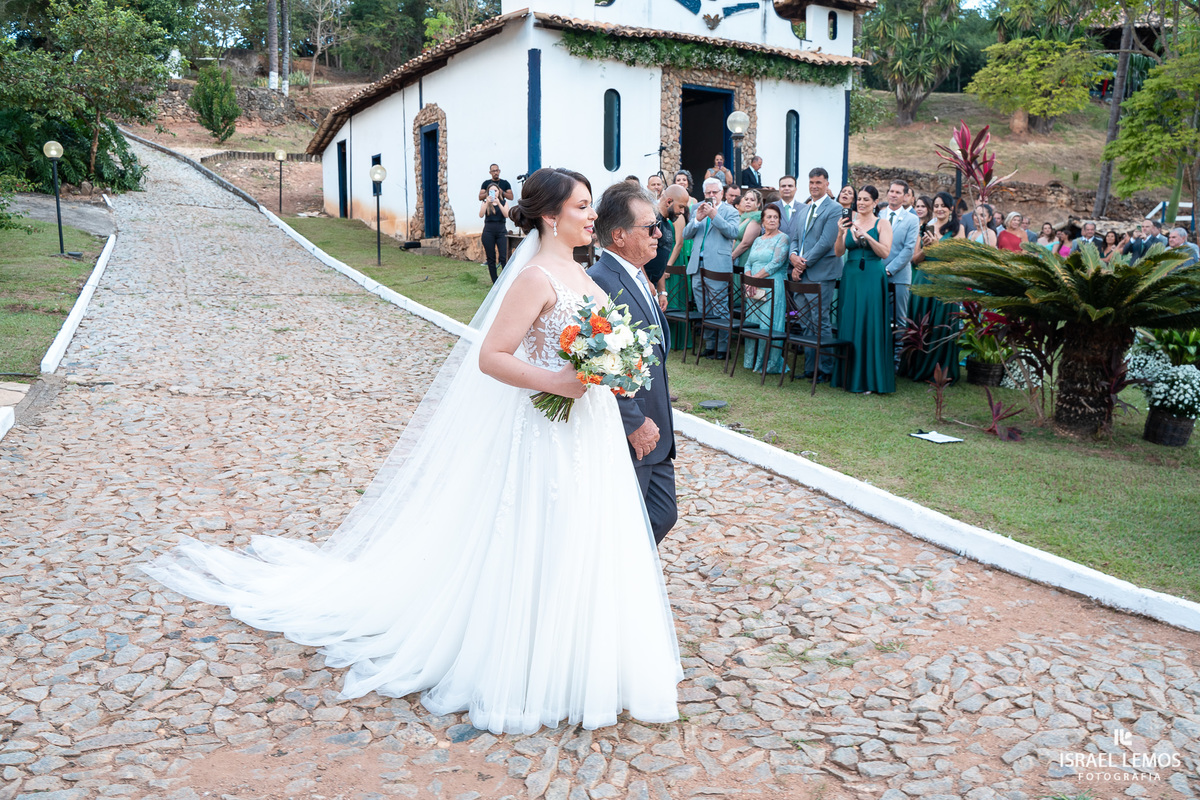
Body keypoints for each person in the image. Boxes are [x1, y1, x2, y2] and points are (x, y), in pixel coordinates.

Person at [143, 167, 682, 735]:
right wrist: (559, 383)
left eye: (590, 206)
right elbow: (491, 357)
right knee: (542, 535)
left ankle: (590, 657)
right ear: (550, 217)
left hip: (589, 431)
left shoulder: (586, 276)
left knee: (589, 537)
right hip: (548, 432)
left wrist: (606, 372)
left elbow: (606, 351)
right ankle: (530, 662)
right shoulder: (534, 278)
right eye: (580, 207)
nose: (591, 215)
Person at [588, 181, 679, 545]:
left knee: (661, 515)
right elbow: (598, 363)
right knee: (632, 525)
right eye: (650, 227)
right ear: (619, 235)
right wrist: (633, 421)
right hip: (633, 430)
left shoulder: (638, 273)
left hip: (656, 425)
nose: (659, 233)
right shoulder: (600, 283)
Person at [832, 185, 895, 394]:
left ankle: (869, 379)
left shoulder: (882, 223)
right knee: (850, 321)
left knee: (870, 323)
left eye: (867, 200)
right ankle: (848, 375)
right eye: (860, 199)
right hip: (851, 276)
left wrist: (866, 237)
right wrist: (841, 233)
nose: (861, 203)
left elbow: (885, 252)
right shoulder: (850, 222)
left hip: (872, 276)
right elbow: (838, 251)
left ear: (875, 203)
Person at [789, 167, 843, 381]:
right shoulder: (804, 210)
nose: (814, 186)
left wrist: (801, 264)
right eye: (811, 182)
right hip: (801, 273)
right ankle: (810, 368)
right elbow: (794, 239)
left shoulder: (834, 209)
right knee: (804, 321)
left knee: (820, 320)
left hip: (821, 273)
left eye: (818, 182)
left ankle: (825, 369)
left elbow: (825, 242)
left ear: (827, 184)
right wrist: (793, 256)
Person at [904, 191, 964, 383]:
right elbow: (914, 259)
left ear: (951, 209)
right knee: (922, 323)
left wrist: (938, 246)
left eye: (942, 206)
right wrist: (926, 249)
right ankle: (918, 367)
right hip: (923, 278)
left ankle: (941, 371)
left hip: (945, 280)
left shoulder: (957, 230)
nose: (939, 209)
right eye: (936, 206)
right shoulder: (924, 227)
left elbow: (957, 259)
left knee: (941, 324)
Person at [684, 177, 741, 359]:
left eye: (714, 192)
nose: (711, 196)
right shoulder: (696, 208)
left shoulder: (730, 211)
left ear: (722, 193)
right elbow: (686, 234)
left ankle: (723, 349)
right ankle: (709, 345)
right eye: (708, 192)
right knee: (703, 307)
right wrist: (697, 220)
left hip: (717, 265)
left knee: (719, 306)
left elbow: (733, 232)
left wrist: (714, 215)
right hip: (697, 264)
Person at [741, 204, 790, 374]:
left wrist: (753, 280)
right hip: (753, 288)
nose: (772, 220)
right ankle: (751, 361)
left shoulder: (783, 238)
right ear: (762, 221)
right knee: (753, 322)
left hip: (772, 286)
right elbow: (748, 262)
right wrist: (748, 281)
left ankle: (769, 362)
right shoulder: (757, 240)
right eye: (769, 217)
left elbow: (775, 263)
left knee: (767, 323)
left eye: (775, 217)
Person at [881, 180, 918, 368]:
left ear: (905, 197)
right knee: (879, 316)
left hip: (899, 276)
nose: (893, 194)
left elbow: (908, 250)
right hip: (877, 275)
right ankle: (880, 356)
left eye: (898, 192)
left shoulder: (912, 219)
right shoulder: (879, 214)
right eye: (891, 191)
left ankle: (896, 361)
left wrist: (889, 269)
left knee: (899, 318)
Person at [644, 184, 688, 306]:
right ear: (669, 201)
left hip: (653, 286)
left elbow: (661, 261)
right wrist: (646, 281)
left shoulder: (668, 225)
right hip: (641, 285)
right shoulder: (650, 220)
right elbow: (638, 255)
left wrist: (662, 292)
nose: (683, 211)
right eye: (681, 207)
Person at [478, 181, 510, 283]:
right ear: (488, 192)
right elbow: (481, 215)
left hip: (501, 232)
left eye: (495, 191)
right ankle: (495, 281)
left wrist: (499, 203)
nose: (494, 193)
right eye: (491, 191)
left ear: (499, 191)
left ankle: (505, 280)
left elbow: (506, 215)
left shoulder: (504, 202)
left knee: (503, 257)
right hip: (488, 232)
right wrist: (487, 203)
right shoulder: (485, 202)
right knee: (491, 258)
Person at [731, 189, 763, 270]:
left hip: (745, 256)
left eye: (752, 200)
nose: (748, 202)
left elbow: (746, 243)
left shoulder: (756, 219)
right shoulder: (744, 217)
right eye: (746, 199)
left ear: (758, 204)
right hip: (736, 256)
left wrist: (732, 256)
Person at [771, 176, 803, 242]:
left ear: (795, 189)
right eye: (783, 186)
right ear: (779, 189)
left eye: (790, 186)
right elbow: (764, 230)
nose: (786, 188)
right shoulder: (771, 207)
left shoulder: (804, 209)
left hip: (798, 250)